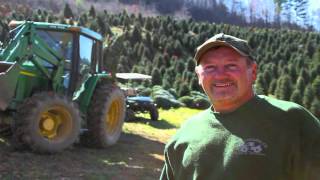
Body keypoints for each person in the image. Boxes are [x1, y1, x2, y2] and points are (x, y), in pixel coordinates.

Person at [160, 33, 320, 180]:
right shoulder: (185, 134)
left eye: (231, 65)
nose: (220, 75)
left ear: (253, 71)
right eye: (210, 67)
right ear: (198, 76)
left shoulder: (291, 121)